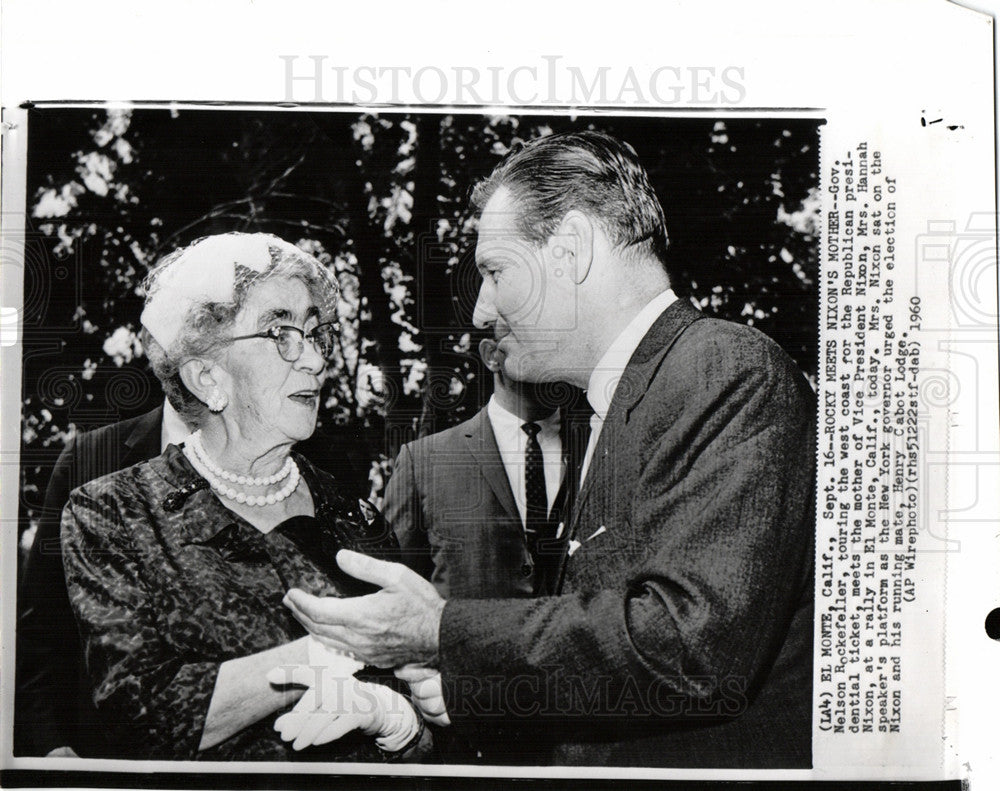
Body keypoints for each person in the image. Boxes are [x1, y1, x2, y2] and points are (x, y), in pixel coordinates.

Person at [281, 131, 817, 768]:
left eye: (494, 272)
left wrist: (439, 630)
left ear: (570, 252)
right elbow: (606, 649)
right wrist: (473, 691)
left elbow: (689, 648)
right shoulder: (615, 407)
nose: (481, 312)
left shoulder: (724, 370)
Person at [60, 232, 428, 761]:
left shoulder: (355, 516)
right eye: (281, 333)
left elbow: (431, 710)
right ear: (208, 377)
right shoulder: (114, 513)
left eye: (316, 333)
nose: (314, 361)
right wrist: (322, 653)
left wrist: (398, 725)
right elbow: (138, 717)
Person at [387, 334, 585, 599]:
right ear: (492, 355)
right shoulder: (423, 460)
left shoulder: (600, 444)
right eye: (533, 335)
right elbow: (390, 589)